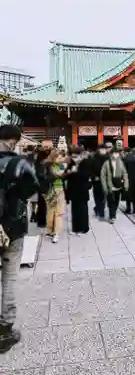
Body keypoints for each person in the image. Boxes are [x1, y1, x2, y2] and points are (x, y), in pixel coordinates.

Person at [0, 124, 38, 353]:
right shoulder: (21, 163)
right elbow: (33, 188)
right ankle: (5, 328)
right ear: (13, 141)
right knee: (9, 278)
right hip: (12, 228)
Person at [65, 147, 91, 234]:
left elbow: (86, 175)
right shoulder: (71, 163)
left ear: (81, 156)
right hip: (73, 190)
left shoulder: (86, 163)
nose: (74, 159)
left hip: (82, 190)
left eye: (76, 156)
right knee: (74, 210)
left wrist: (77, 172)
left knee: (83, 210)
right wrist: (70, 172)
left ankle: (84, 228)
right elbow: (66, 175)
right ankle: (75, 228)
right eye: (73, 157)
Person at [101, 147, 129, 223]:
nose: (116, 155)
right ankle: (112, 216)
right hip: (110, 185)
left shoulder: (120, 162)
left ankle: (113, 213)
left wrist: (126, 184)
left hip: (118, 185)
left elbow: (125, 174)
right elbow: (103, 175)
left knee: (116, 201)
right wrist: (104, 186)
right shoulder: (106, 163)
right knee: (111, 201)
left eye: (117, 153)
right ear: (111, 154)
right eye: (114, 153)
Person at [44, 150, 66, 243]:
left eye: (61, 157)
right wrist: (59, 174)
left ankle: (53, 232)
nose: (61, 159)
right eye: (59, 157)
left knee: (55, 212)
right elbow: (47, 178)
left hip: (59, 190)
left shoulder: (59, 165)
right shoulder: (48, 167)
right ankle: (53, 232)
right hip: (52, 191)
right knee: (54, 212)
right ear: (54, 157)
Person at [123, 149, 135, 214]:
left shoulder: (125, 159)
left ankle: (128, 209)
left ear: (126, 152)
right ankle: (134, 209)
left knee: (128, 194)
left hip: (128, 179)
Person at [91, 144, 108, 220]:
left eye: (104, 149)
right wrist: (94, 177)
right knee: (97, 196)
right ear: (98, 150)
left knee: (103, 197)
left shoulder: (108, 158)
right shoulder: (94, 158)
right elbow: (90, 170)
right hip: (97, 181)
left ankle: (101, 213)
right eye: (102, 149)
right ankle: (97, 208)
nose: (103, 151)